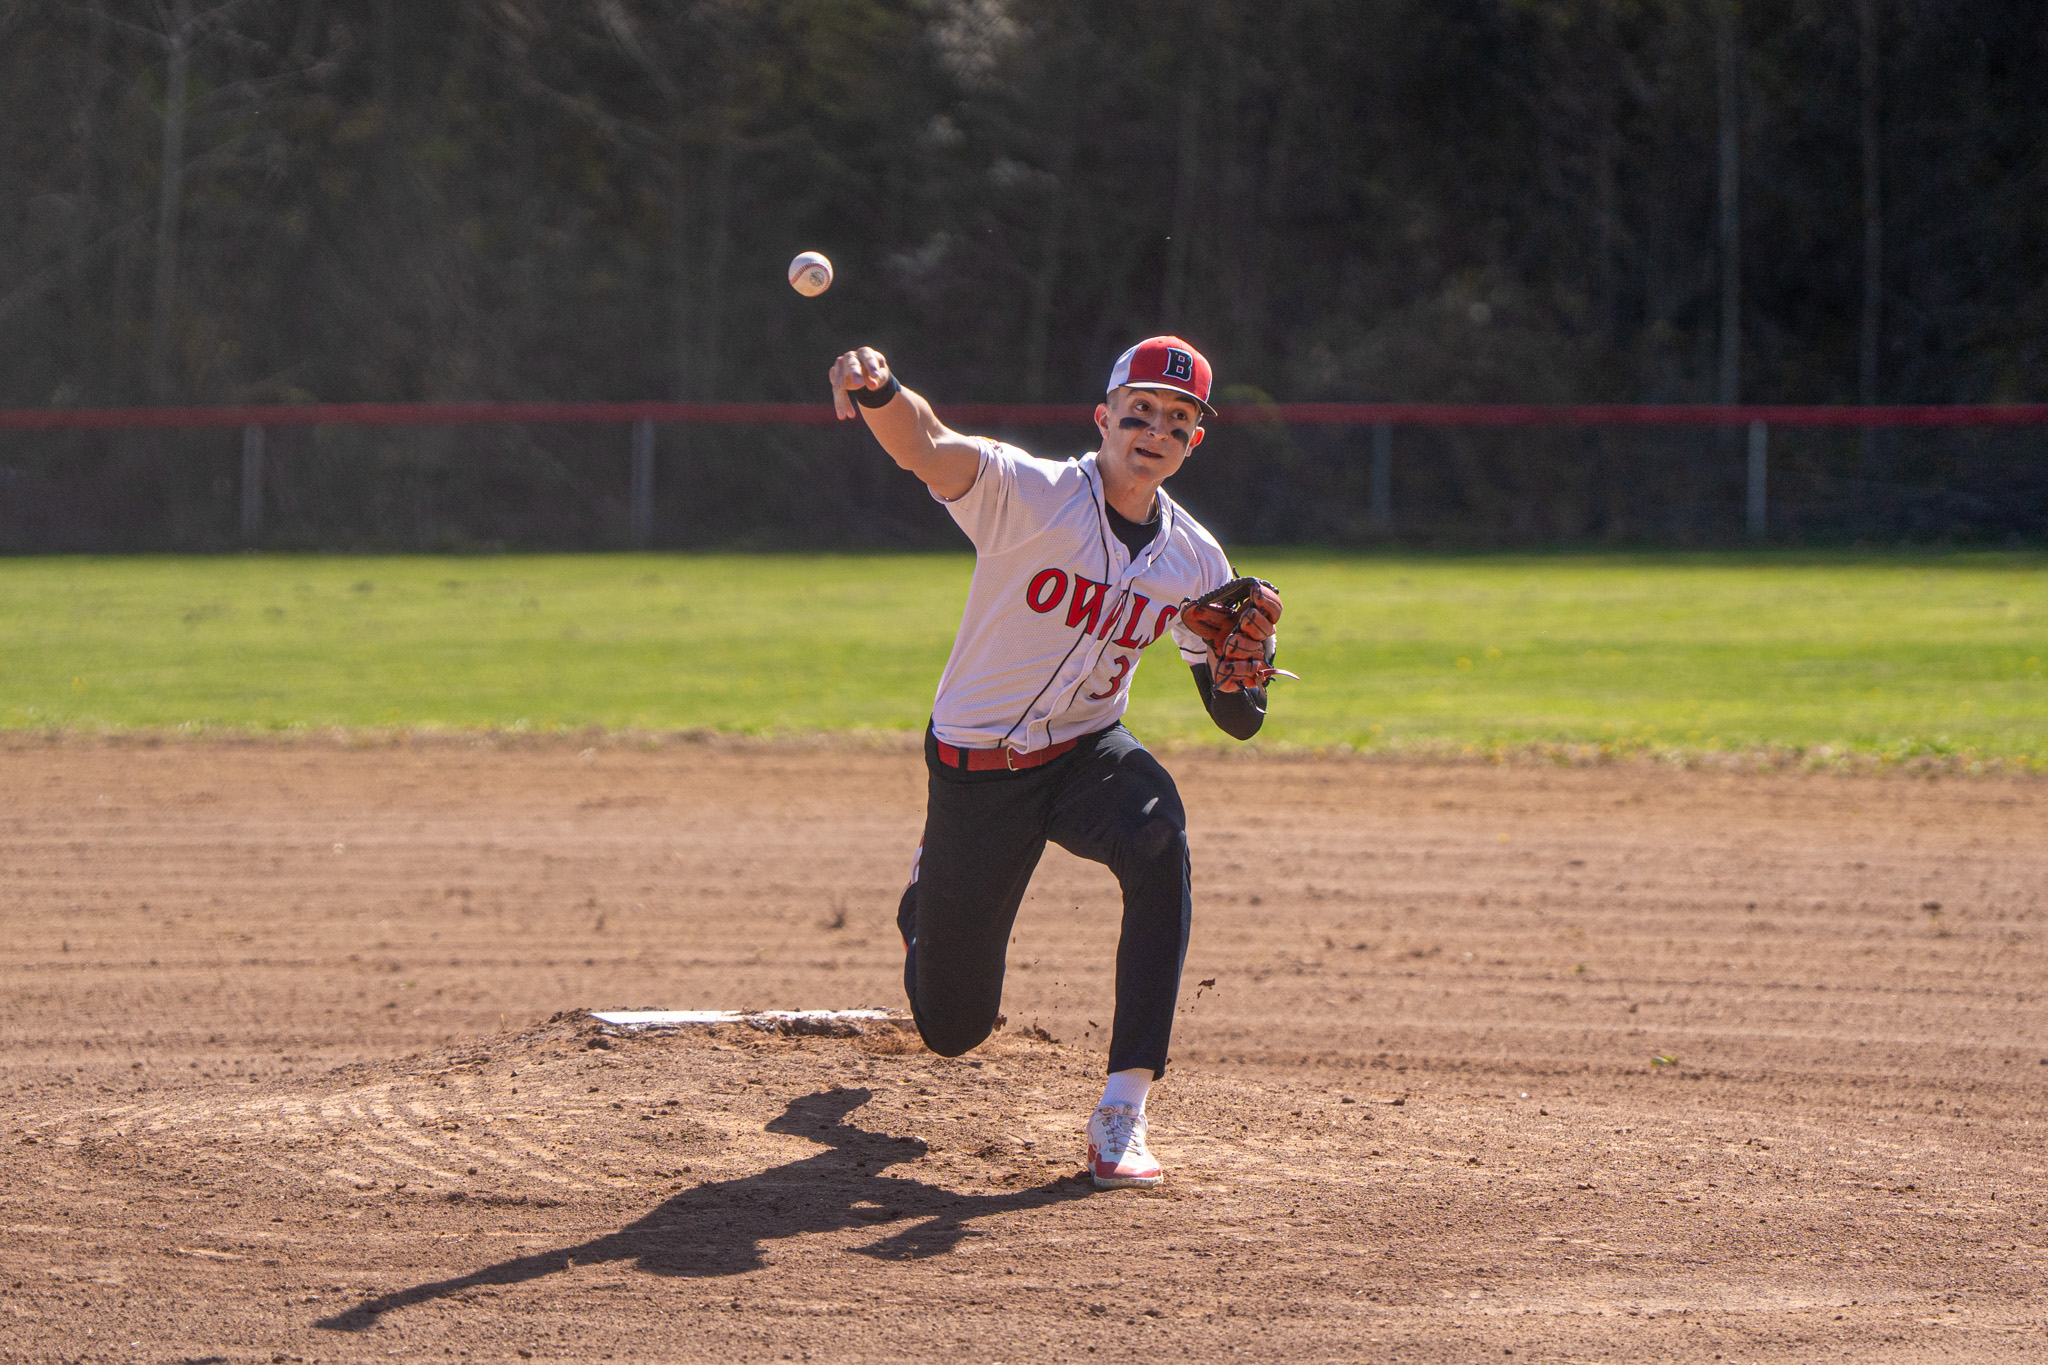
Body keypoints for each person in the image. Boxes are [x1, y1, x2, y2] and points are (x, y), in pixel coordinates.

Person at [829, 335, 1283, 1189]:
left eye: (1178, 417)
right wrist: (883, 388)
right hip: (977, 769)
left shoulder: (1195, 560)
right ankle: (925, 903)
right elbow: (927, 446)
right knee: (952, 1028)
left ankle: (1123, 1109)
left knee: (1159, 835)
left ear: (1196, 440)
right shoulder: (1032, 495)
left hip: (1086, 752)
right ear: (1103, 416)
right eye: (1140, 409)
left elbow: (1237, 718)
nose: (1155, 427)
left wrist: (1242, 672)